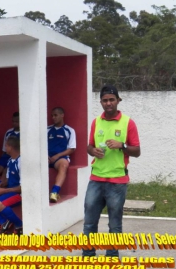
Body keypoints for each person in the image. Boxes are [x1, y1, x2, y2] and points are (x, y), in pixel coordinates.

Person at [83, 85, 141, 257]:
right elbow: (89, 146)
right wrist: (92, 151)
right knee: (89, 223)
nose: (108, 103)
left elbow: (137, 151)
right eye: (105, 100)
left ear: (118, 100)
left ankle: (111, 259)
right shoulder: (96, 122)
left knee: (114, 225)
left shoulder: (128, 122)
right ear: (100, 102)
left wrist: (121, 146)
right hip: (96, 179)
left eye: (111, 99)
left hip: (117, 181)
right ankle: (87, 257)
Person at [48, 107, 76, 203]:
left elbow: (71, 149)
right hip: (46, 158)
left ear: (62, 115)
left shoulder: (69, 130)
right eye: (52, 115)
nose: (53, 117)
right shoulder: (47, 130)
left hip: (59, 159)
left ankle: (54, 192)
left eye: (55, 115)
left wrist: (57, 156)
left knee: (64, 165)